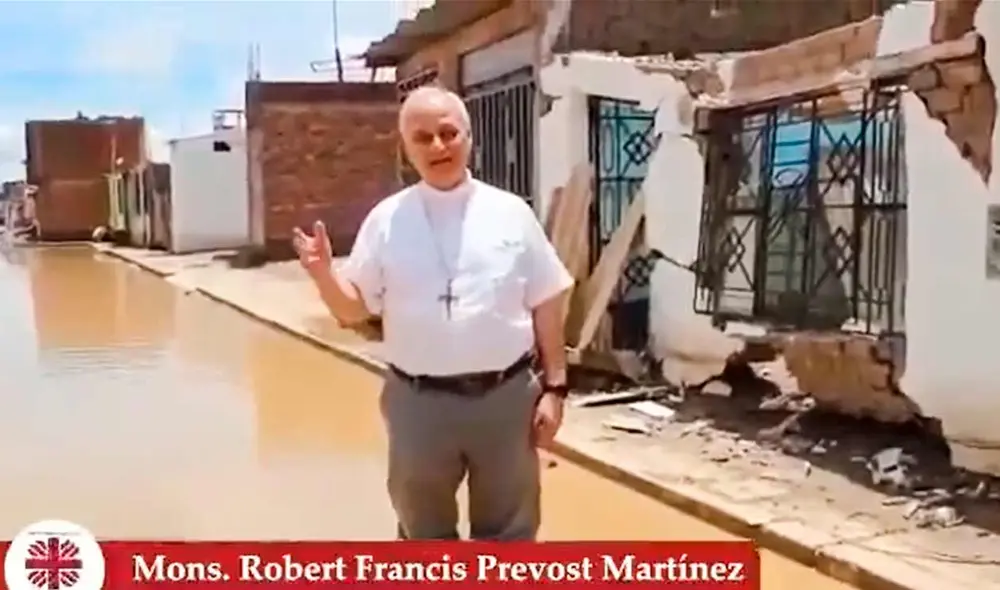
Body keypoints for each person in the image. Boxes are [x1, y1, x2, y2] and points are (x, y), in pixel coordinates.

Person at [292, 86, 574, 541]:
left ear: (469, 138)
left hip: (505, 401)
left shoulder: (511, 213)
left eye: (448, 133)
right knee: (423, 534)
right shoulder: (386, 220)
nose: (438, 146)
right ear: (405, 147)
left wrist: (555, 388)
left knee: (510, 534)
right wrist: (323, 273)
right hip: (418, 404)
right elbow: (352, 310)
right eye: (423, 137)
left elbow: (547, 297)